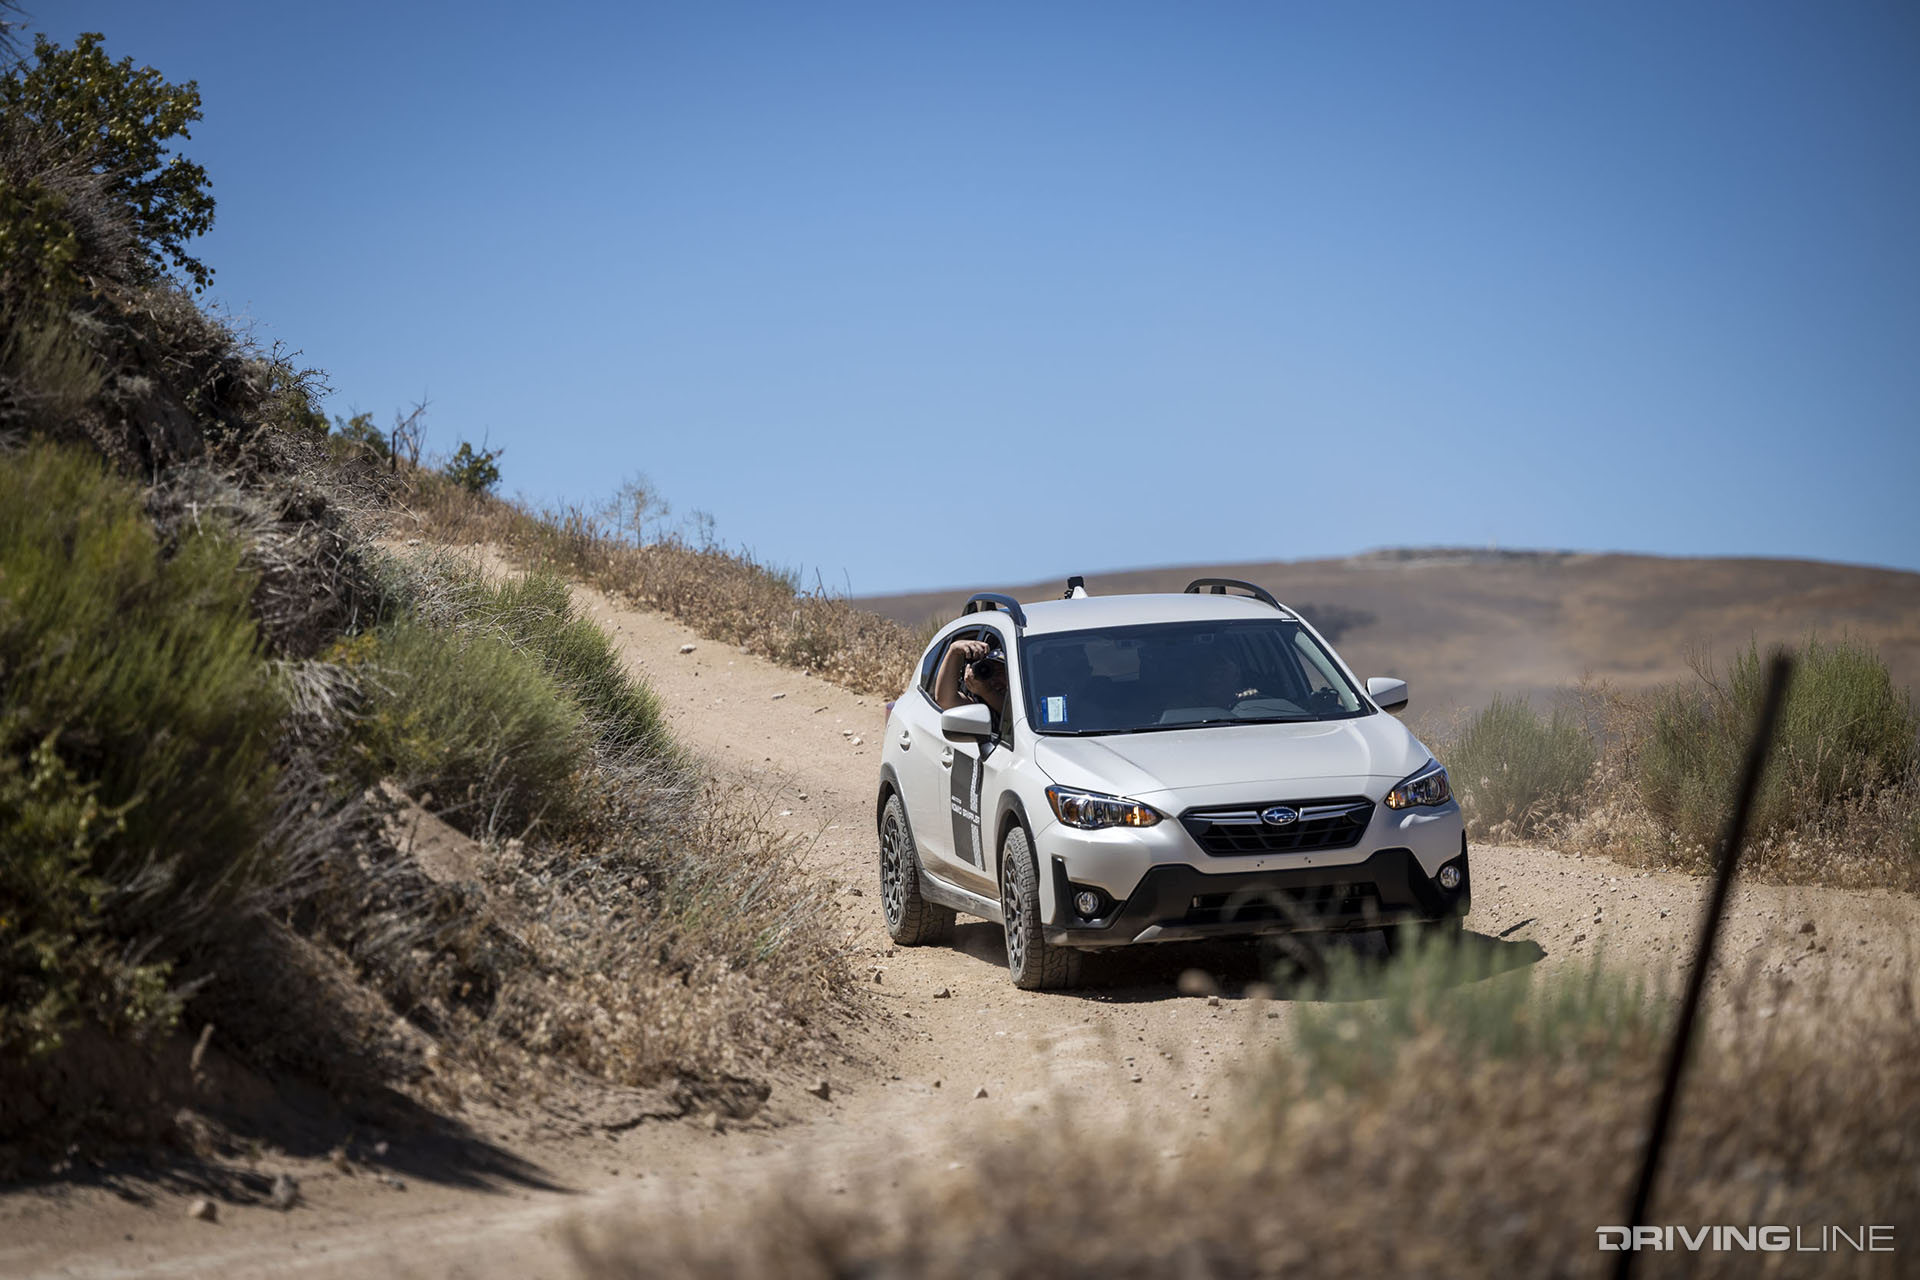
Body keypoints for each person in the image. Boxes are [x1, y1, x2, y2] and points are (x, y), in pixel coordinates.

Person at [933, 637, 1008, 725]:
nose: (994, 680)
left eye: (1000, 673)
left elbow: (1014, 714)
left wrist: (987, 692)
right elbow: (946, 701)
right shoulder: (982, 705)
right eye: (986, 674)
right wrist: (953, 651)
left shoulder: (1025, 697)